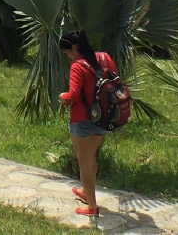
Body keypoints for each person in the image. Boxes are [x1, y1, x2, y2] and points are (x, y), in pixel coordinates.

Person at [58, 30, 118, 217]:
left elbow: (73, 95)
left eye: (68, 52)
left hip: (82, 120)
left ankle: (92, 207)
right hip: (103, 117)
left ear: (75, 48)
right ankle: (86, 191)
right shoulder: (105, 57)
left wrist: (62, 96)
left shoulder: (78, 66)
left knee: (85, 162)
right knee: (92, 157)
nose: (68, 57)